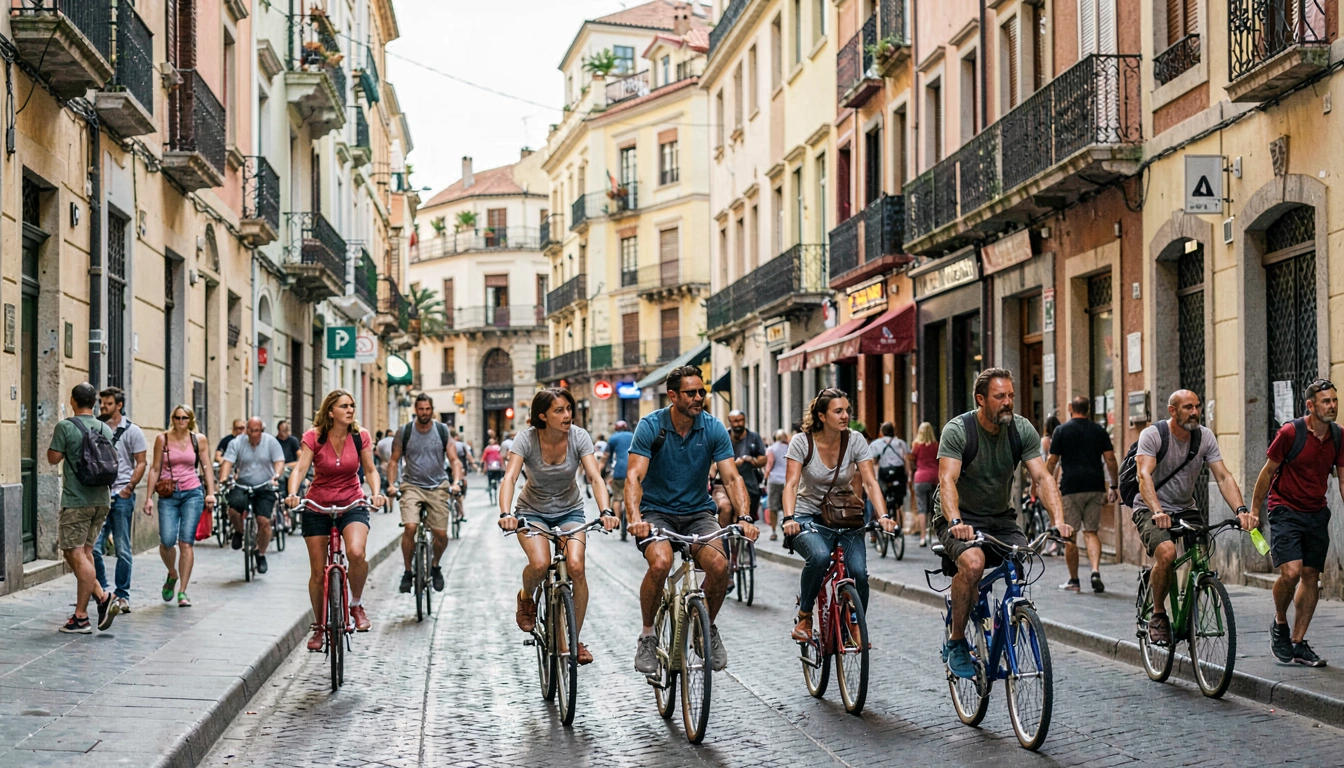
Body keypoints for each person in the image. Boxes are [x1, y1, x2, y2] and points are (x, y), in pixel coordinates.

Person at [935, 369, 1073, 678]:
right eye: (1000, 396)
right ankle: (956, 642)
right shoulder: (959, 431)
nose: (1008, 402)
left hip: (999, 517)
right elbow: (947, 480)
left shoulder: (1021, 430)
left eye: (1011, 395)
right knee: (973, 564)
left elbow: (1042, 477)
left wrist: (1059, 520)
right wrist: (956, 521)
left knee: (1021, 560)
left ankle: (1006, 623)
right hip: (959, 516)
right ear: (980, 399)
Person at [626, 366, 760, 674]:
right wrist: (635, 518)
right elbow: (634, 476)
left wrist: (745, 517)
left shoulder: (713, 428)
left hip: (698, 513)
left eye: (702, 391)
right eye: (691, 393)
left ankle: (706, 627)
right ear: (673, 396)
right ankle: (647, 636)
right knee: (660, 563)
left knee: (720, 566)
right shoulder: (651, 426)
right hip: (656, 513)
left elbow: (732, 477)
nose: (699, 397)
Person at [499, 388, 618, 665]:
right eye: (559, 410)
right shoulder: (526, 439)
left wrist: (606, 510)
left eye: (568, 409)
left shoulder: (579, 436)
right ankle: (526, 597)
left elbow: (595, 477)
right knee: (540, 564)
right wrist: (505, 513)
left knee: (576, 566)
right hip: (532, 511)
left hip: (570, 511)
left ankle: (574, 639)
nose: (567, 415)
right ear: (542, 416)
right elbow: (510, 478)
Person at [1132, 389, 1255, 646]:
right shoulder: (1153, 435)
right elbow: (1143, 476)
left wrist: (1241, 510)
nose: (1195, 412)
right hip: (1150, 506)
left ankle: (1190, 594)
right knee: (1167, 553)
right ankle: (1158, 614)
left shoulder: (1204, 437)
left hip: (1185, 507)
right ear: (1172, 411)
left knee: (1201, 554)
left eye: (1197, 406)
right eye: (1188, 407)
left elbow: (1223, 476)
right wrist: (1157, 510)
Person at [782, 389, 896, 642]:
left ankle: (855, 623)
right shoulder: (802, 442)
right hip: (806, 516)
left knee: (859, 573)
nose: (845, 416)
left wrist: (883, 516)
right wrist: (789, 519)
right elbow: (791, 484)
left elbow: (870, 481)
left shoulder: (855, 440)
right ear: (822, 416)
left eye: (847, 411)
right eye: (838, 411)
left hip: (844, 515)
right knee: (820, 557)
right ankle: (805, 616)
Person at [285, 389, 386, 651]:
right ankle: (320, 626)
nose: (350, 410)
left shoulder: (360, 436)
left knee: (356, 552)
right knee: (318, 572)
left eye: (352, 405)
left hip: (352, 503)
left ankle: (356, 605)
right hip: (317, 505)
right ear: (331, 412)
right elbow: (300, 468)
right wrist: (293, 494)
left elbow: (371, 470)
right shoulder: (314, 437)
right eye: (344, 406)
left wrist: (376, 493)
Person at [1249, 379, 1340, 667]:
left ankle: (1298, 643)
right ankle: (1280, 622)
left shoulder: (1339, 436)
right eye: (1326, 401)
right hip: (1285, 508)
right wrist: (1254, 512)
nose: (1332, 406)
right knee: (1291, 571)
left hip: (1316, 511)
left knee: (1311, 575)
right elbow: (1267, 473)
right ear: (1310, 406)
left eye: (1335, 400)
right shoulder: (1290, 433)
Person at [48, 383, 121, 633]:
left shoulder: (66, 426)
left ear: (72, 400)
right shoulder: (104, 428)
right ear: (94, 403)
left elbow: (53, 458)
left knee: (74, 553)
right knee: (86, 552)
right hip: (102, 499)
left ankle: (89, 609)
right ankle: (94, 604)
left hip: (77, 500)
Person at [388, 394, 464, 595]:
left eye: (427, 409)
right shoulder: (404, 432)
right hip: (411, 486)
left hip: (438, 486)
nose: (424, 413)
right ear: (416, 410)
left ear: (432, 409)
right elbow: (394, 461)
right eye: (421, 409)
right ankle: (407, 571)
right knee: (410, 527)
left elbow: (454, 460)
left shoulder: (442, 430)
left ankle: (435, 565)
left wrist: (456, 482)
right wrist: (391, 485)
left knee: (441, 535)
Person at [144, 404, 216, 608]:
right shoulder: (162, 439)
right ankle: (172, 573)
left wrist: (211, 493)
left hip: (192, 494)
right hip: (168, 494)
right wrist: (148, 497)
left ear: (190, 420)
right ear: (172, 419)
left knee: (186, 542)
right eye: (177, 417)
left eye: (185, 418)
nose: (181, 421)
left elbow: (206, 467)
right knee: (167, 541)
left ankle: (183, 591)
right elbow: (155, 468)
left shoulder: (198, 440)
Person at [1046, 397, 1119, 594]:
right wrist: (1114, 485)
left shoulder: (1061, 431)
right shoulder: (1099, 430)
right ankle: (1095, 571)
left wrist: (1046, 483)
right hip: (1095, 486)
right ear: (1088, 410)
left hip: (1071, 487)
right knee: (1091, 532)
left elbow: (1052, 461)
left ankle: (1074, 580)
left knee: (1069, 536)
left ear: (1070, 408)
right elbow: (1110, 459)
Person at [93, 386, 147, 614]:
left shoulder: (133, 431)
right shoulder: (95, 428)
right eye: (101, 403)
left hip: (122, 496)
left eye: (108, 404)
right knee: (94, 548)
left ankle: (122, 594)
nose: (103, 407)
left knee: (123, 549)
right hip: (99, 496)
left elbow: (141, 462)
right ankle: (104, 592)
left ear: (119, 405)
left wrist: (129, 488)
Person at [218, 417, 286, 574]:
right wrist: (224, 478)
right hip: (242, 484)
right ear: (246, 430)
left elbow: (279, 462)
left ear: (262, 430)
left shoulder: (271, 442)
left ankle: (260, 554)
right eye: (250, 430)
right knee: (233, 509)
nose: (254, 434)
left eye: (257, 431)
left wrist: (276, 476)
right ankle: (239, 531)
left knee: (264, 522)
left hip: (265, 485)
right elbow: (227, 463)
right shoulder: (237, 442)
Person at [869, 422, 909, 528]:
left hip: (884, 472)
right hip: (899, 472)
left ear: (882, 432)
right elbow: (906, 459)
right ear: (894, 431)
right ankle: (898, 518)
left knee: (881, 494)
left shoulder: (875, 444)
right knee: (899, 497)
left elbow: (874, 462)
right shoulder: (901, 443)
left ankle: (882, 518)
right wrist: (909, 475)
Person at [908, 422, 939, 546]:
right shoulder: (936, 445)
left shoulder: (916, 445)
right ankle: (935, 535)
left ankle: (922, 537)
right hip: (934, 477)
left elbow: (912, 461)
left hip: (920, 478)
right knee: (934, 508)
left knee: (922, 508)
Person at [763, 429, 791, 540]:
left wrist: (765, 478)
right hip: (787, 481)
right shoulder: (791, 448)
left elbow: (769, 465)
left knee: (773, 508)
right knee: (787, 508)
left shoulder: (772, 449)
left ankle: (773, 531)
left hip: (774, 481)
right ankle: (788, 531)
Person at [606, 421, 634, 529]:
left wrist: (607, 466)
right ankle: (628, 519)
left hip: (619, 471)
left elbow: (607, 456)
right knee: (629, 497)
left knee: (617, 497)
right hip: (632, 471)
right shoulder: (633, 436)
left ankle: (617, 521)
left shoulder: (613, 438)